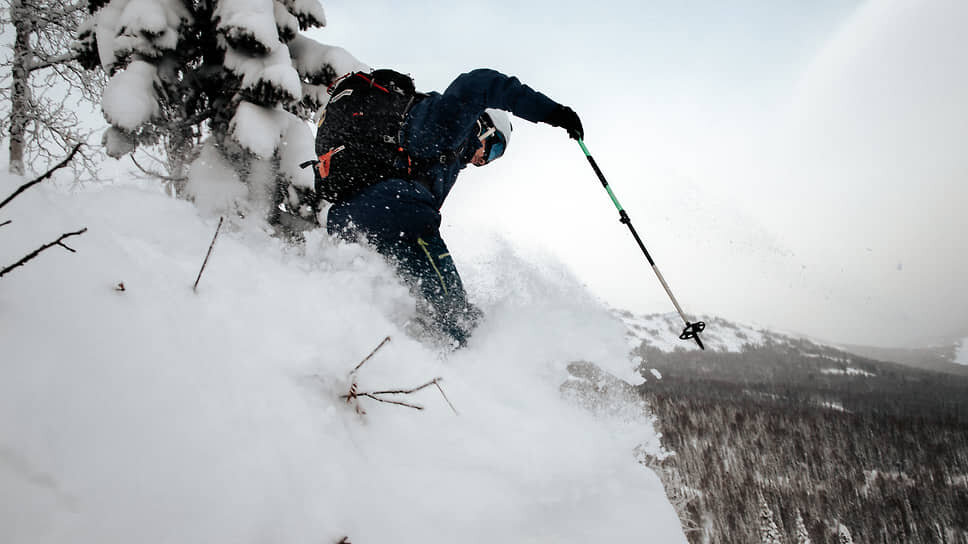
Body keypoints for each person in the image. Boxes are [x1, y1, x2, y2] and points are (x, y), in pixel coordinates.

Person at [326, 68, 583, 347]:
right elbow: (480, 83)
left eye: (492, 159)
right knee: (457, 314)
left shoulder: (441, 162)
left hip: (352, 218)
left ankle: (419, 355)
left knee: (412, 303)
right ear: (484, 126)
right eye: (494, 149)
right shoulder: (446, 126)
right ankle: (477, 352)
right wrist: (553, 113)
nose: (483, 160)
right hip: (396, 212)